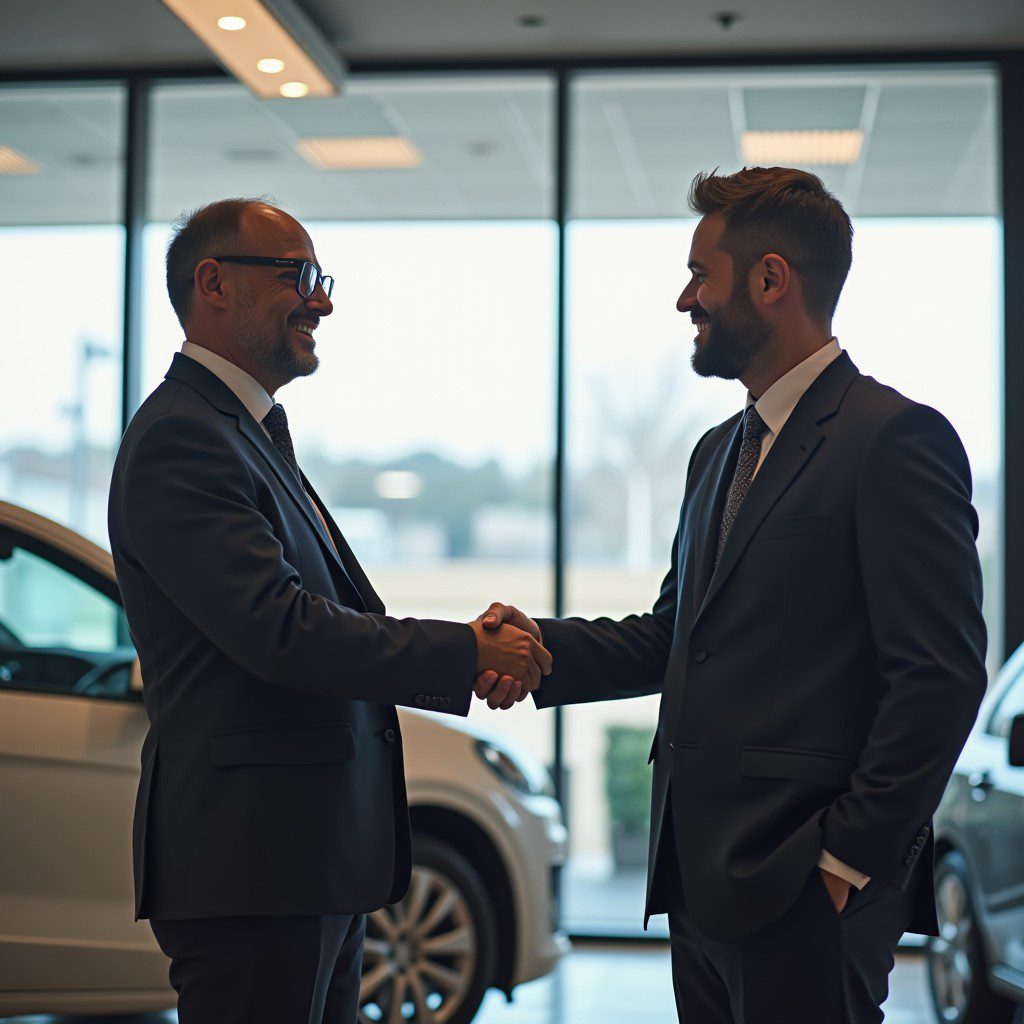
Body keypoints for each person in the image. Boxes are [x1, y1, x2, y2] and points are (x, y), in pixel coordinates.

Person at [475, 166, 987, 1023]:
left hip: (805, 891)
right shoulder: (717, 451)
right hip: (701, 886)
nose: (685, 299)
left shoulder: (895, 440)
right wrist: (538, 649)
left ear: (770, 279)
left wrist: (843, 865)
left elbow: (940, 677)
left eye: (700, 274)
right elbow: (674, 635)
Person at [107, 198, 551, 1024]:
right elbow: (283, 629)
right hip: (254, 870)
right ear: (213, 283)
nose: (322, 301)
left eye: (322, 279)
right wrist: (467, 651)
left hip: (304, 865)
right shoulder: (183, 439)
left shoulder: (244, 431)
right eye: (297, 276)